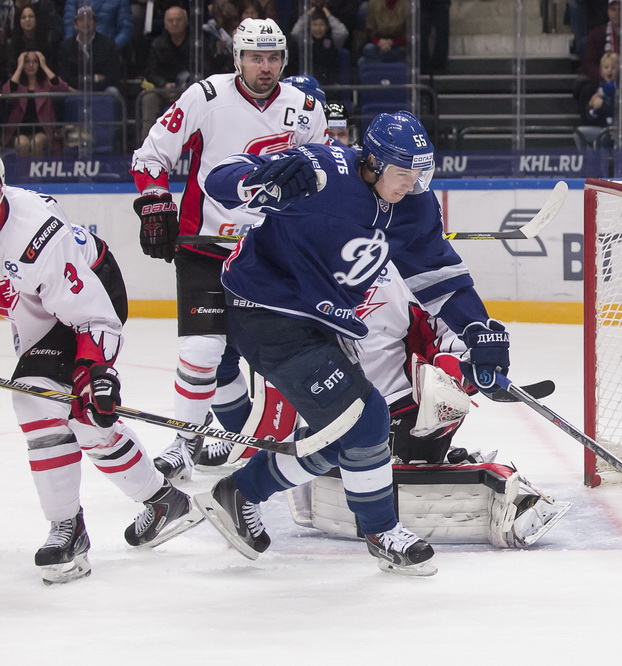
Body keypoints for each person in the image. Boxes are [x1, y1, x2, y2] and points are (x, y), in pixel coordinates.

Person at [193, 111, 511, 576]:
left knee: (347, 433)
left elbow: (440, 277)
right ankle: (381, 531)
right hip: (265, 310)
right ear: (374, 163)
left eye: (421, 174)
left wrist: (478, 331)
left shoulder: (416, 207)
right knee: (368, 418)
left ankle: (241, 490)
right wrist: (257, 180)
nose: (411, 184)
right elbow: (219, 179)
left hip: (323, 323)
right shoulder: (322, 172)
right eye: (403, 173)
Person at [129, 18, 328, 482]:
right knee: (201, 348)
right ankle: (186, 438)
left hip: (271, 253)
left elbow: (325, 173)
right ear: (237, 58)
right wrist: (156, 204)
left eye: (274, 57)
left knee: (277, 352)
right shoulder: (206, 97)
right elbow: (151, 155)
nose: (265, 67)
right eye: (256, 57)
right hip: (207, 248)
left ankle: (276, 434)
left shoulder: (304, 108)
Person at [0, 158, 203, 585]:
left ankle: (68, 531)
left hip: (91, 298)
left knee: (47, 402)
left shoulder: (33, 236)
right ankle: (164, 502)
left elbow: (93, 317)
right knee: (83, 424)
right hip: (37, 314)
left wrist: (95, 374)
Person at [285, 261, 569, 549]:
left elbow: (450, 341)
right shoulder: (306, 262)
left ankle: (408, 465)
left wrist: (459, 374)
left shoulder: (407, 276)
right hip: (328, 409)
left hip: (399, 412)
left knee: (438, 400)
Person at [139, 5, 197, 142]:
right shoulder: (157, 44)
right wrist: (164, 84)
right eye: (171, 20)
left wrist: (186, 87)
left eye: (178, 20)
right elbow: (151, 71)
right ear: (165, 24)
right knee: (149, 98)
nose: (175, 23)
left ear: (186, 22)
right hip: (164, 89)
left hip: (190, 89)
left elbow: (204, 69)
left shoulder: (197, 43)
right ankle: (145, 146)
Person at [2, 49, 69, 156]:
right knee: (22, 144)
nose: (31, 65)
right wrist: (19, 67)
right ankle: (23, 173)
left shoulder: (45, 84)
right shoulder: (17, 84)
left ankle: (37, 172)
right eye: (27, 62)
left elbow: (62, 88)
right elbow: (6, 93)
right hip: (19, 131)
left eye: (35, 61)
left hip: (43, 130)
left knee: (36, 142)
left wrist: (44, 65)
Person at [55, 6, 123, 92]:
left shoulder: (108, 44)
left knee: (113, 91)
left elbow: (113, 76)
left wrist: (91, 88)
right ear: (75, 25)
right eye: (81, 19)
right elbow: (65, 77)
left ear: (95, 23)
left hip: (101, 89)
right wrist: (94, 78)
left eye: (89, 19)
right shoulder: (65, 46)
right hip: (74, 90)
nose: (86, 23)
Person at [61, 0, 132, 52]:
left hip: (108, 53)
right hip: (78, 51)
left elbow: (126, 29)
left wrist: (112, 49)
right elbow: (69, 24)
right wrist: (71, 48)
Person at [358, 0, 407, 64]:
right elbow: (370, 31)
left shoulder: (407, 4)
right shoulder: (374, 3)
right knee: (368, 49)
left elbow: (409, 35)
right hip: (378, 44)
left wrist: (392, 42)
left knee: (363, 61)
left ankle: (372, 63)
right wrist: (379, 42)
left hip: (399, 46)